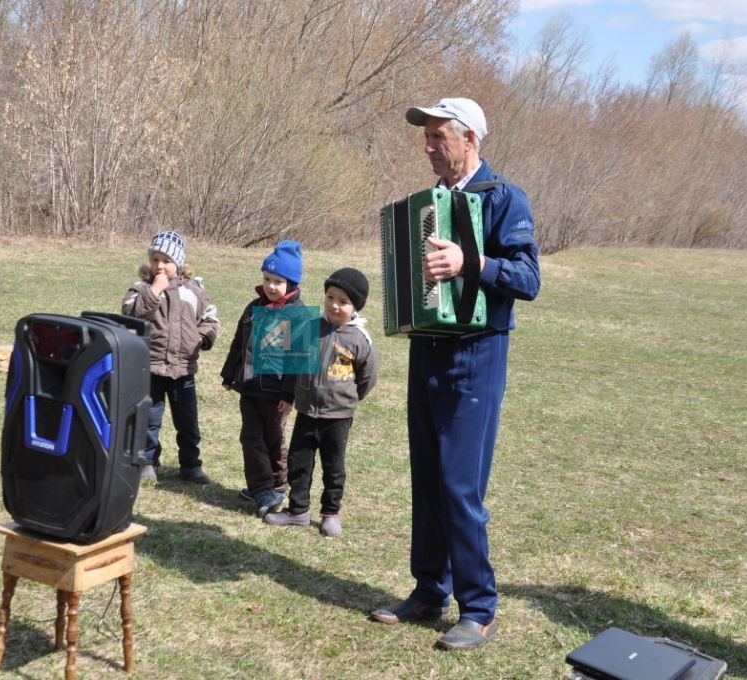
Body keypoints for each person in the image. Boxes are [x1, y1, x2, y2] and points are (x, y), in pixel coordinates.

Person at [370, 98, 541, 650]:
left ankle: (479, 607)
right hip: (429, 351)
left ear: (470, 138)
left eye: (437, 136)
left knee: (459, 484)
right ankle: (428, 591)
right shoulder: (431, 204)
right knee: (427, 476)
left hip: (478, 353)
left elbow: (529, 278)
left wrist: (472, 262)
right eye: (425, 136)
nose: (427, 145)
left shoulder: (503, 197)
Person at [264, 267, 378, 538]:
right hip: (306, 411)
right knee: (298, 462)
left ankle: (330, 513)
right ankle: (298, 511)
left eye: (343, 301)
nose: (334, 305)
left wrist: (348, 398)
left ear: (355, 306)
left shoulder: (360, 340)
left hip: (337, 417)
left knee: (333, 466)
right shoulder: (310, 327)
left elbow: (367, 377)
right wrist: (290, 394)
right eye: (330, 297)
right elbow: (293, 362)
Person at [122, 230, 220, 484]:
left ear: (179, 263)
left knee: (187, 422)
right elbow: (131, 314)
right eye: (155, 259)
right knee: (149, 421)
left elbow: (210, 317)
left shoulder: (193, 291)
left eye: (166, 261)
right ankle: (147, 462)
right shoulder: (141, 289)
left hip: (183, 368)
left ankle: (191, 465)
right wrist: (154, 291)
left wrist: (201, 337)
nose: (160, 266)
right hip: (151, 367)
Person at [220, 240, 306, 518]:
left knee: (274, 438)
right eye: (267, 279)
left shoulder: (297, 315)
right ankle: (260, 488)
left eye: (278, 281)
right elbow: (238, 343)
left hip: (276, 393)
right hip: (249, 386)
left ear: (291, 283)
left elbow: (299, 359)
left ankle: (277, 485)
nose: (270, 286)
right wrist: (228, 374)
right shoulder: (253, 307)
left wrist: (289, 394)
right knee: (250, 437)